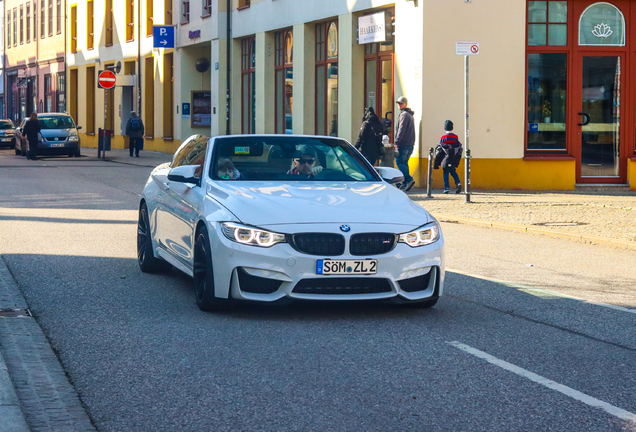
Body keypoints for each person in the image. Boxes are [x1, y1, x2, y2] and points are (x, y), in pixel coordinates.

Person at [434, 120, 463, 194]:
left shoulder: (443, 137)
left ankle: (447, 188)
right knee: (453, 171)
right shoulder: (455, 137)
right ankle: (458, 183)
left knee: (446, 172)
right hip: (453, 158)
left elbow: (440, 148)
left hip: (445, 158)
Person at [394, 96, 416, 191]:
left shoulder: (404, 115)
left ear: (405, 104)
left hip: (403, 144)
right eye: (398, 103)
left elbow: (401, 129)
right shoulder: (409, 115)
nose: (399, 105)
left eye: (401, 103)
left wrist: (397, 142)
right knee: (404, 163)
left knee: (399, 162)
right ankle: (405, 183)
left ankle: (409, 179)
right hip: (410, 144)